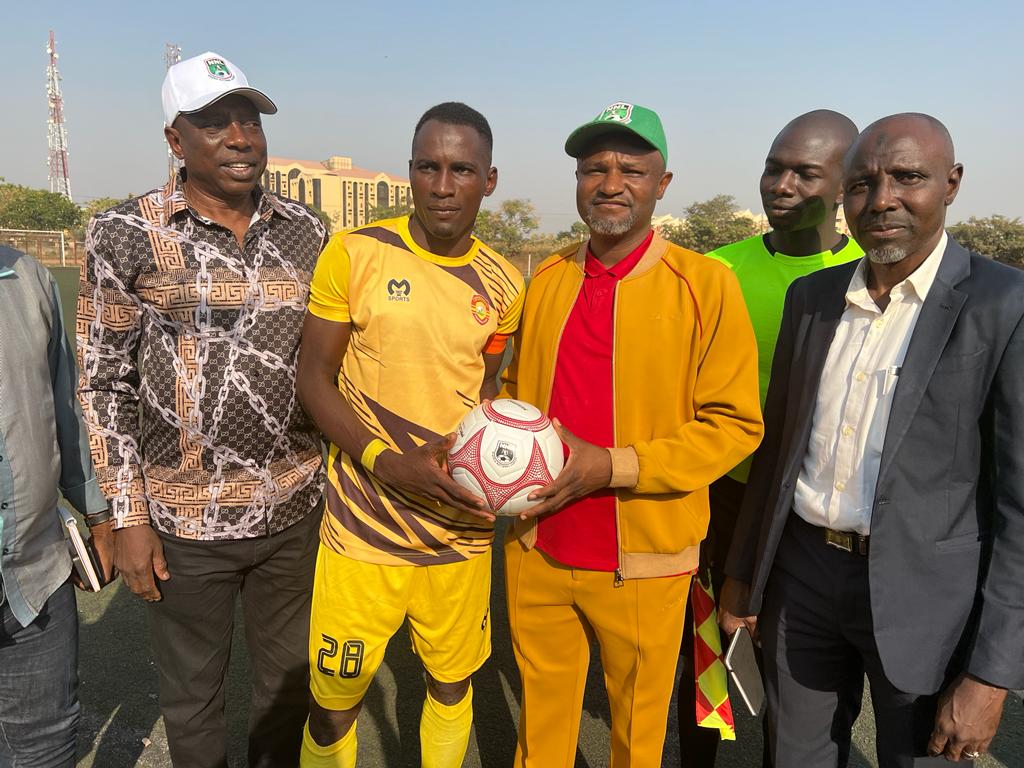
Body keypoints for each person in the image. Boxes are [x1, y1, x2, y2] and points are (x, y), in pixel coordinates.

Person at [720, 113, 1024, 766]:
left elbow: (1019, 510)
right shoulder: (813, 298)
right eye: (862, 182)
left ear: (951, 183)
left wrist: (992, 674)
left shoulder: (1003, 306)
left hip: (927, 603)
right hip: (801, 580)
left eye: (907, 177)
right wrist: (744, 580)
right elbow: (777, 455)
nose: (881, 199)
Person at [77, 52, 327, 767]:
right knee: (193, 704)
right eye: (214, 122)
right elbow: (102, 385)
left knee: (287, 691)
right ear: (174, 139)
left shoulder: (308, 231)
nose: (241, 137)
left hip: (294, 510)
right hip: (185, 524)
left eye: (249, 120)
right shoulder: (124, 232)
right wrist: (127, 518)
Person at [501, 101, 763, 767]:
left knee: (635, 742)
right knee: (543, 735)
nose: (610, 183)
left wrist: (612, 466)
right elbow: (515, 398)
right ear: (578, 181)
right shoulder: (549, 276)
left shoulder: (706, 284)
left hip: (644, 562)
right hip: (538, 546)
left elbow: (733, 426)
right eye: (594, 168)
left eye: (631, 169)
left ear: (663, 184)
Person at [295, 102, 525, 768]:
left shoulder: (506, 285)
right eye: (428, 166)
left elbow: (485, 396)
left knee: (451, 685)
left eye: (462, 169)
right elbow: (313, 380)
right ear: (411, 172)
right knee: (334, 697)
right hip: (362, 526)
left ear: (490, 179)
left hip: (459, 530)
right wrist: (382, 460)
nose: (443, 185)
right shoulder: (356, 252)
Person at [677, 109, 862, 767]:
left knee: (796, 671)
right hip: (722, 498)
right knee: (703, 655)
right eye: (773, 167)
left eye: (804, 173)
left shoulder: (872, 278)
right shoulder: (715, 271)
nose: (781, 185)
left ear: (845, 185)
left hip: (808, 513)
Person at [0, 245, 112, 767]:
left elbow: (63, 409)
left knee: (46, 744)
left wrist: (97, 512)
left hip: (33, 575)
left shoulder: (27, 279)